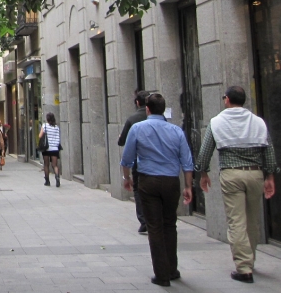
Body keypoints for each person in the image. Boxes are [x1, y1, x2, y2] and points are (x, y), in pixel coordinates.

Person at [194, 85, 279, 285]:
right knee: (252, 219)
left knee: (236, 221)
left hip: (231, 175)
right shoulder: (258, 122)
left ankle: (243, 267)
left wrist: (203, 172)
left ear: (227, 100)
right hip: (255, 173)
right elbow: (268, 149)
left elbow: (206, 151)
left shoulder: (217, 121)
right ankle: (250, 259)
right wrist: (270, 176)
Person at [120, 93, 193, 288]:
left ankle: (161, 274)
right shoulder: (176, 131)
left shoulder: (137, 128)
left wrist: (126, 178)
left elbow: (127, 158)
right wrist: (187, 186)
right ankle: (172, 268)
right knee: (170, 224)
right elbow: (187, 161)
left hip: (148, 181)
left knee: (154, 226)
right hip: (170, 182)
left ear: (147, 109)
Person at [118, 90, 151, 234]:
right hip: (159, 162)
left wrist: (126, 176)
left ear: (137, 103)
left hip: (139, 162)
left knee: (139, 191)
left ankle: (144, 220)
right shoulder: (160, 118)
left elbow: (122, 141)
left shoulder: (132, 119)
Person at [40, 113, 61, 187]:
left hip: (46, 148)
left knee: (46, 164)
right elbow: (58, 137)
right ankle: (57, 178)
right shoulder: (57, 127)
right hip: (55, 148)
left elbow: (40, 135)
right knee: (55, 165)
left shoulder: (45, 126)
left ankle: (47, 181)